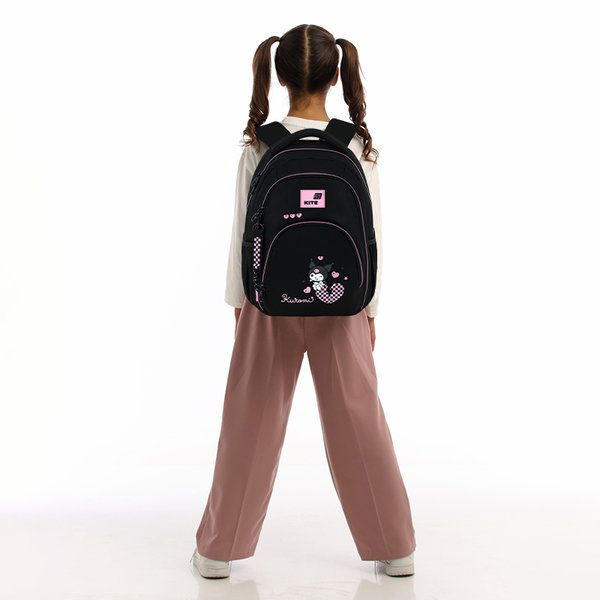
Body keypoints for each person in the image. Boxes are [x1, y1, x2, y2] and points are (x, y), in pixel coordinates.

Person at [192, 24, 416, 579]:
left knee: (250, 421)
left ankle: (218, 553)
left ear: (280, 76)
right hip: (343, 299)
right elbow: (372, 236)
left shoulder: (260, 143)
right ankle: (396, 548)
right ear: (336, 75)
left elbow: (243, 233)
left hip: (267, 303)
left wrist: (241, 304)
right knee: (359, 420)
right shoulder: (357, 145)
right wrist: (370, 310)